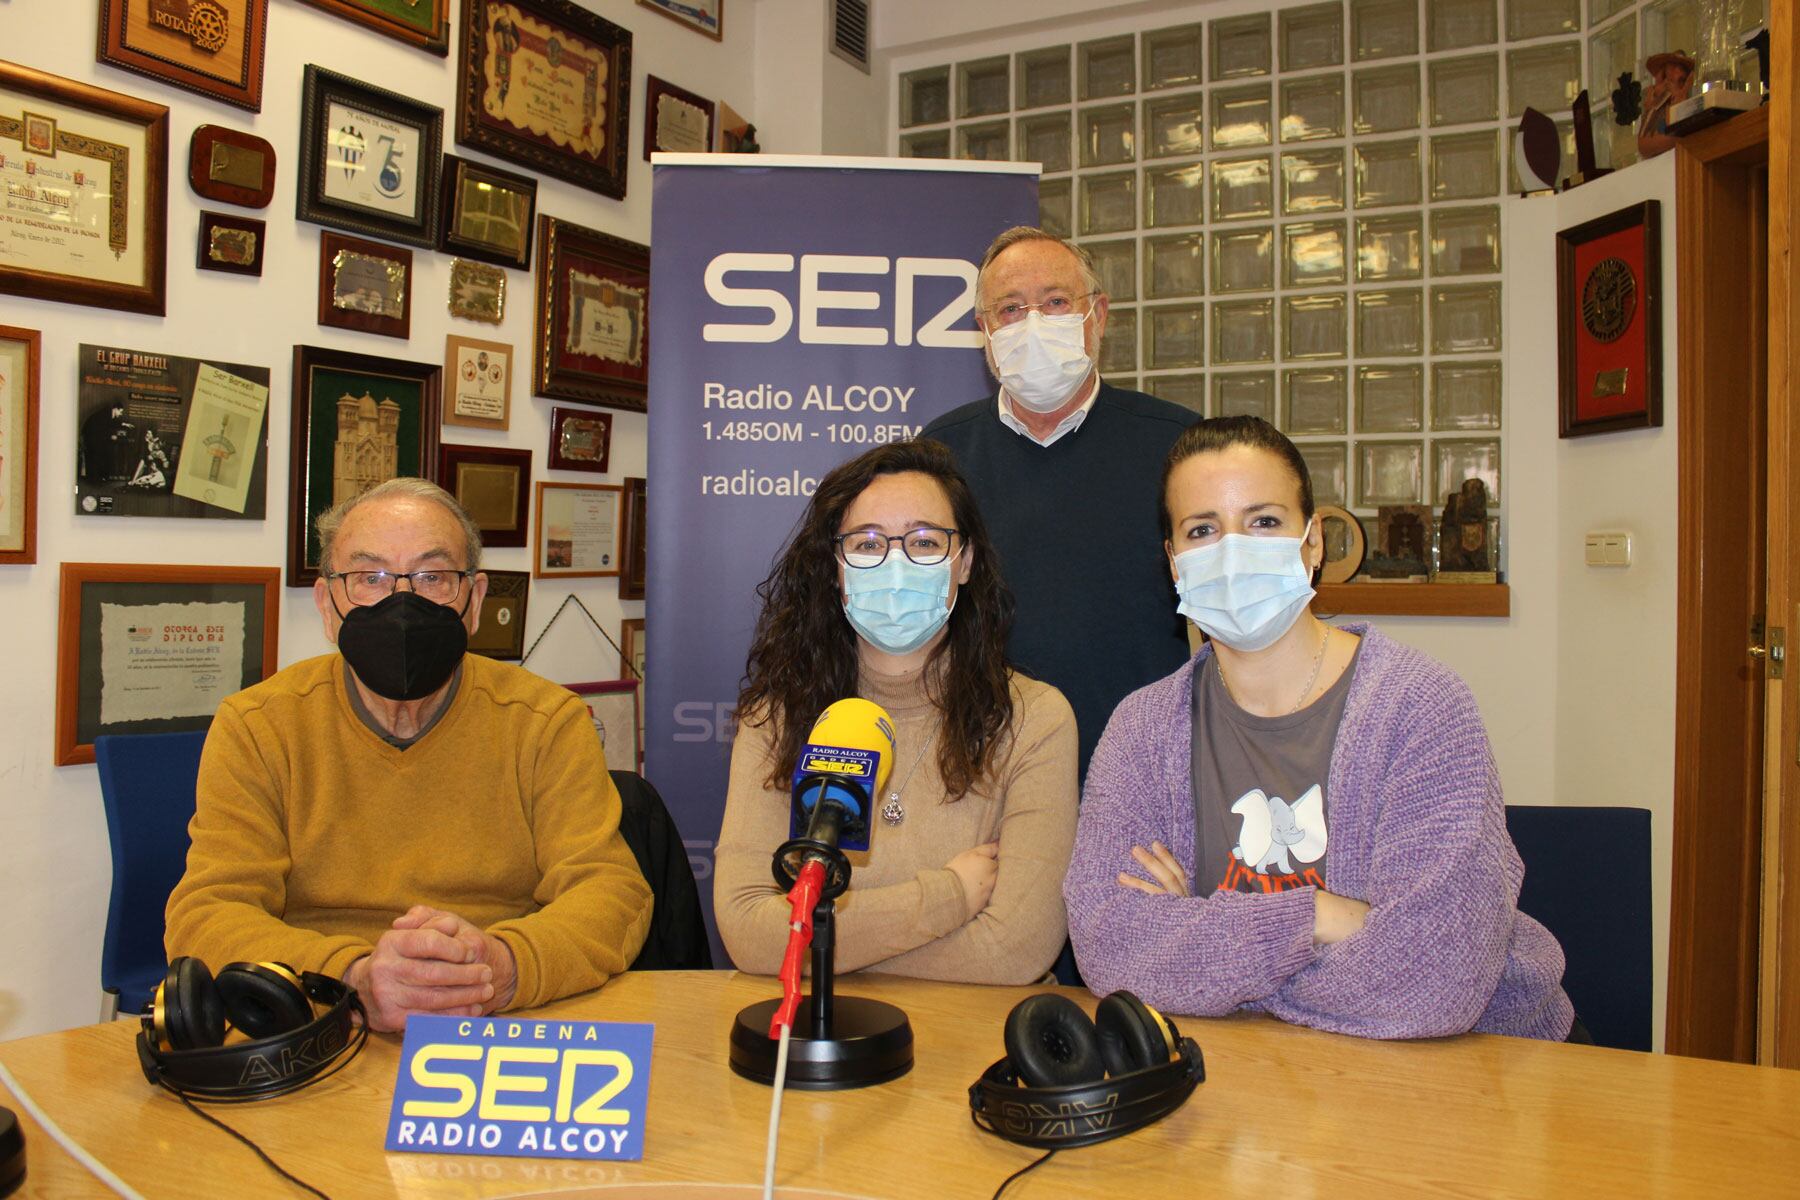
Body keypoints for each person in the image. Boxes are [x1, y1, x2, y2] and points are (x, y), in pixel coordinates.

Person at [1064, 417, 1575, 1040]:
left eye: (1263, 522)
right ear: (1173, 563)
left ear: (1313, 545)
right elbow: (1110, 947)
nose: (1232, 550)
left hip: (1472, 1071)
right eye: (1203, 530)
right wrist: (1318, 918)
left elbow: (1431, 980)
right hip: (1262, 1078)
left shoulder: (1422, 707)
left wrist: (1197, 941)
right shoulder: (1142, 729)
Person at [165, 478, 653, 1032]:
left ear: (474, 601)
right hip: (321, 1020)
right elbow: (204, 915)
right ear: (328, 605)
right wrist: (353, 979)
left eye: (433, 577)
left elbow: (613, 893)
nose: (402, 601)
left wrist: (501, 967)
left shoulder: (546, 722)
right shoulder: (259, 726)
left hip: (496, 1021)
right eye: (369, 578)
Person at [713, 440, 1077, 984]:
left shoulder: (1033, 719)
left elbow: (1017, 950)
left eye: (925, 542)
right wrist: (947, 897)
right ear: (835, 567)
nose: (896, 563)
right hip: (820, 1041)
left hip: (973, 1042)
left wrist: (814, 946)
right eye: (867, 543)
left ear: (965, 562)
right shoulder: (777, 717)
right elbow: (747, 930)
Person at [922, 226, 1198, 779]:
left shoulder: (1180, 446)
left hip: (1141, 771)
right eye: (1010, 309)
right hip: (986, 769)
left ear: (1096, 315)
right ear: (985, 330)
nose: (1034, 323)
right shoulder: (941, 452)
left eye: (1054, 302)